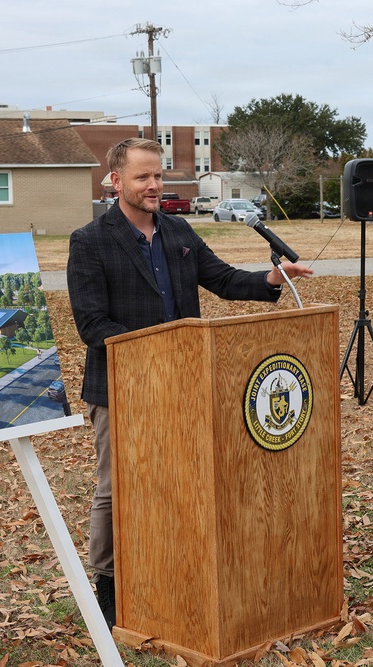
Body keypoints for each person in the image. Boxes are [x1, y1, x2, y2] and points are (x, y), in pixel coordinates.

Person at [66, 137, 313, 628]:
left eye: (158, 175)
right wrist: (166, 346)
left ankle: (171, 569)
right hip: (122, 389)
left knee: (179, 482)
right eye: (143, 177)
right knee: (117, 490)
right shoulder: (89, 241)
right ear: (116, 182)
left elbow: (221, 280)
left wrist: (269, 281)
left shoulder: (178, 230)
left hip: (185, 386)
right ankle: (109, 584)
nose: (155, 185)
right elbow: (92, 326)